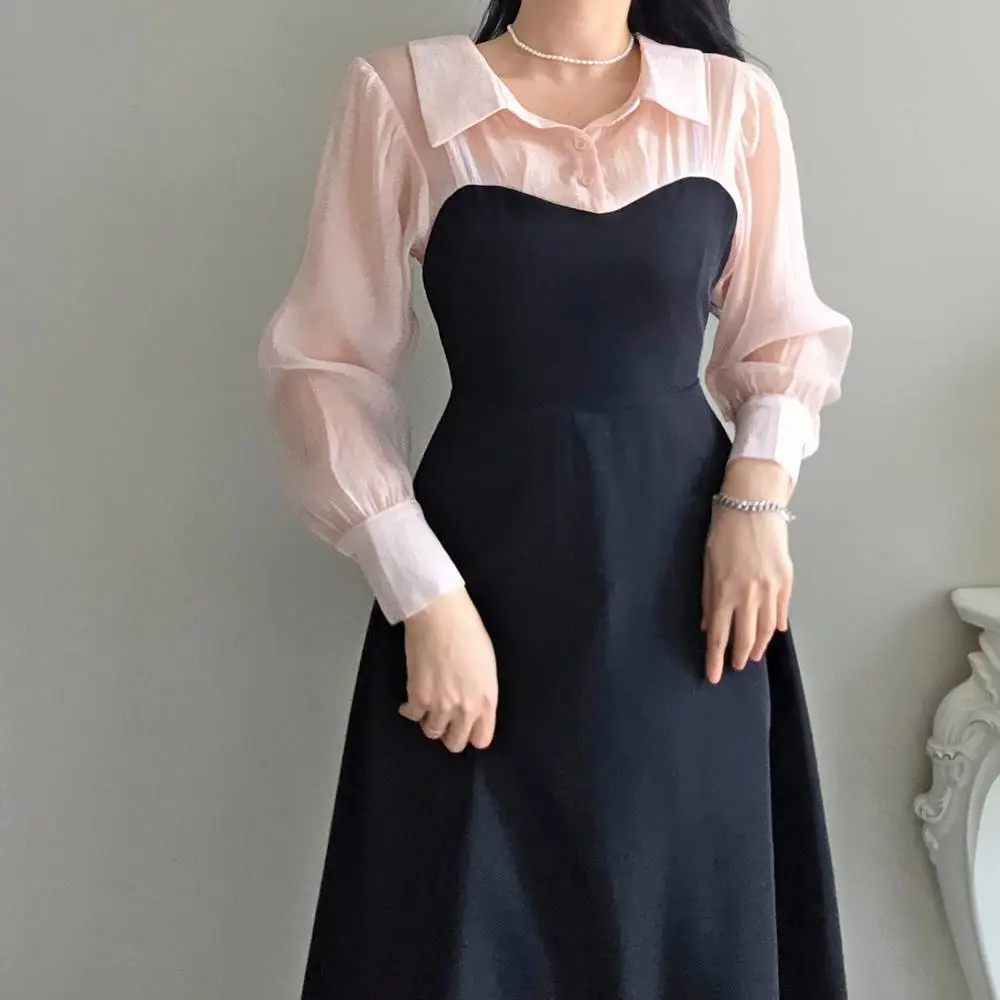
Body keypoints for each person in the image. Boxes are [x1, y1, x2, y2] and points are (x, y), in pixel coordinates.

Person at [258, 0, 853, 996]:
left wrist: (755, 502)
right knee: (473, 923)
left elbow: (780, 337)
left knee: (682, 903)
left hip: (687, 591)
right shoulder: (404, 96)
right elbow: (326, 369)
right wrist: (422, 595)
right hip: (479, 576)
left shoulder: (730, 101)